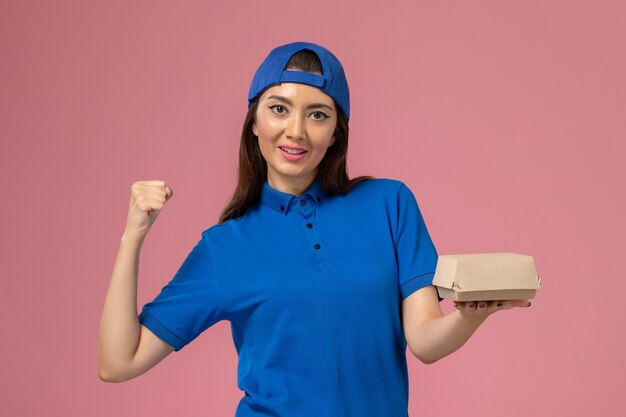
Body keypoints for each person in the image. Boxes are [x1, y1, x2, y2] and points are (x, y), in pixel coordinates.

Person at [98, 41, 531, 416]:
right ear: (254, 122)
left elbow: (424, 340)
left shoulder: (389, 204)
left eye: (318, 114)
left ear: (335, 134)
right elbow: (119, 363)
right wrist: (132, 236)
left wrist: (471, 317)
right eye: (279, 109)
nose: (296, 130)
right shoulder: (225, 247)